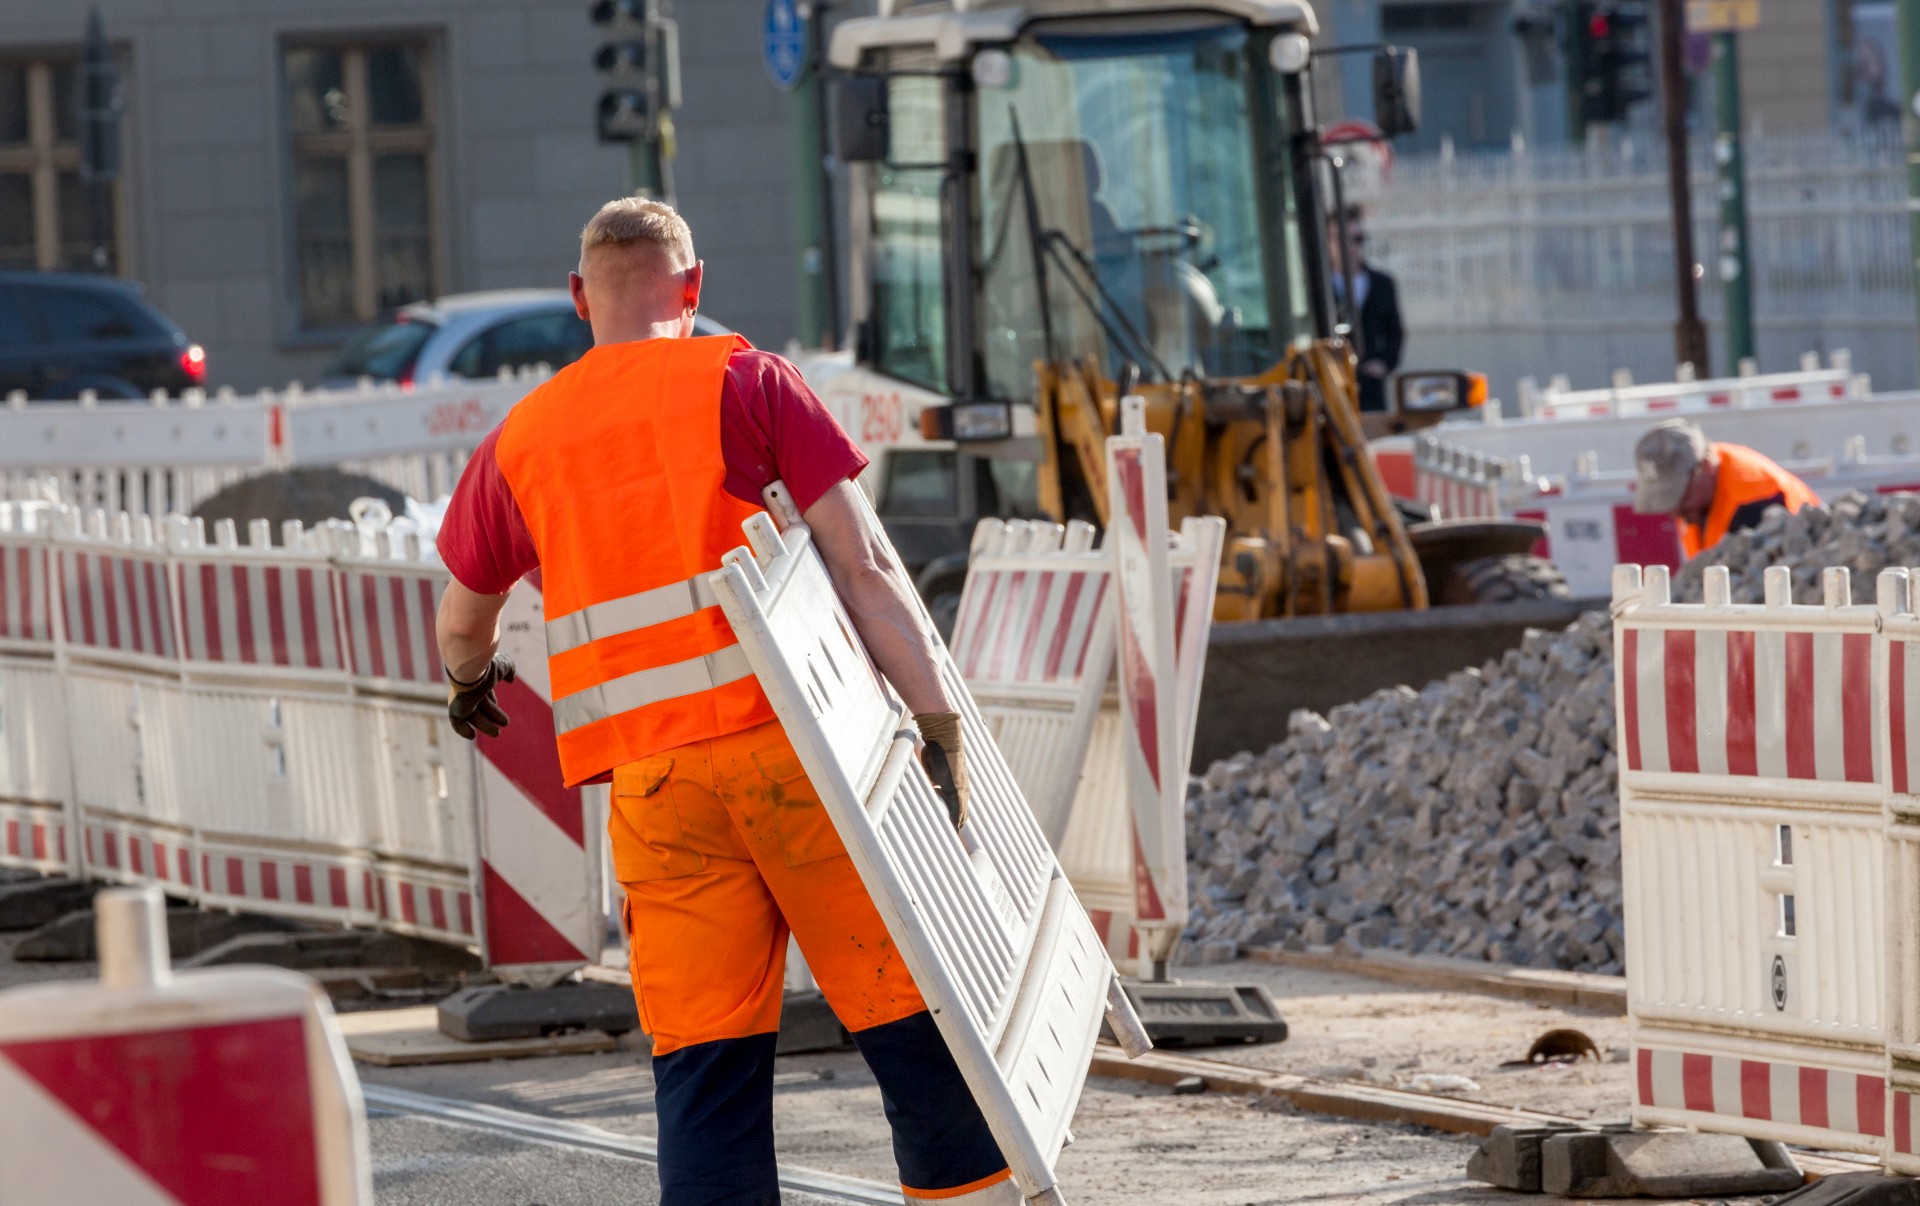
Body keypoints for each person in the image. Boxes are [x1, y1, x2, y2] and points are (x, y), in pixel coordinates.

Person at [432, 197, 1014, 1206]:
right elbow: (867, 566)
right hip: (794, 761)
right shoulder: (745, 380)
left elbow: (461, 618)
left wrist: (470, 680)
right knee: (904, 1018)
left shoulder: (524, 439)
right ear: (692, 289)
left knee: (704, 1064)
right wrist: (937, 721)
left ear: (580, 299)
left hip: (659, 792)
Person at [1632, 418, 1821, 558]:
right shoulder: (1696, 496)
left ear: (1705, 466)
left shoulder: (1756, 501)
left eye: (1678, 495)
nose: (1675, 510)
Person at [1325, 205, 1404, 413]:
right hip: (1329, 387)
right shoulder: (1316, 286)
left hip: (1370, 390)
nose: (1349, 246)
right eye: (1340, 238)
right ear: (1327, 240)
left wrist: (1384, 364)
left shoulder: (1382, 284)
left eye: (1357, 239)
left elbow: (1395, 332)